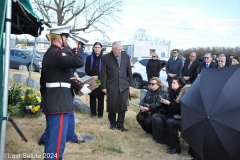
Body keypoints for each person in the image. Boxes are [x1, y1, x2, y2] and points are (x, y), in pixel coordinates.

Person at [40, 25, 90, 160]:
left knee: (53, 139)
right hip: (59, 103)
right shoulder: (56, 54)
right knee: (56, 143)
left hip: (55, 100)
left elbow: (44, 81)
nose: (67, 40)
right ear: (60, 38)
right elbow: (79, 61)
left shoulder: (51, 54)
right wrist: (76, 48)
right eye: (66, 37)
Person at [100, 41, 133, 132]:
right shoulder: (106, 58)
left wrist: (130, 84)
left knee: (123, 104)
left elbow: (129, 71)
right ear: (112, 49)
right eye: (117, 50)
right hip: (111, 84)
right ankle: (112, 123)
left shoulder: (126, 57)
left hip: (124, 84)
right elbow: (103, 73)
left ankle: (120, 124)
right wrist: (103, 86)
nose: (119, 51)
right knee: (112, 104)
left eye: (120, 49)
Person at [152, 77, 185, 145]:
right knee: (155, 117)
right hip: (169, 113)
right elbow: (167, 106)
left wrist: (169, 103)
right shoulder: (171, 92)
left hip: (177, 116)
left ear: (179, 85)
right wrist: (163, 102)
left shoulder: (181, 95)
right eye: (171, 82)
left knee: (159, 119)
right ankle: (159, 138)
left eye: (174, 83)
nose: (171, 84)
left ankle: (165, 139)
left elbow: (179, 109)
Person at [163, 84, 191, 154]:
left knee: (170, 123)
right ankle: (171, 144)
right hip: (182, 119)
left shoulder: (194, 101)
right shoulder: (181, 99)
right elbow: (178, 109)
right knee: (168, 120)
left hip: (190, 122)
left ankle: (176, 147)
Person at [85, 42, 105, 118]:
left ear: (101, 48)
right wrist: (92, 76)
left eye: (98, 47)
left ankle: (100, 114)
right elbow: (86, 68)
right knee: (92, 96)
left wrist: (98, 76)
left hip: (100, 80)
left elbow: (106, 69)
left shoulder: (104, 58)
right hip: (91, 79)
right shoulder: (89, 58)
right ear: (93, 48)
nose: (97, 49)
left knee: (100, 97)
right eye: (95, 47)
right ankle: (93, 113)